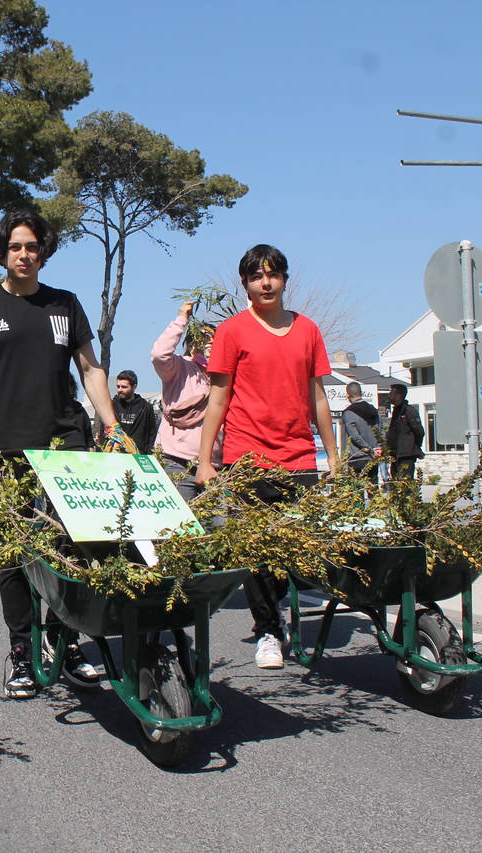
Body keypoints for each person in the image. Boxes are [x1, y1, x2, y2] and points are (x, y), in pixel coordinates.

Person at [0, 209, 136, 699]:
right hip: (6, 449)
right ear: (2, 253)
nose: (24, 255)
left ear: (43, 251)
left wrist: (111, 426)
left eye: (31, 247)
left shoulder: (65, 305)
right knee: (17, 553)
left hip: (66, 444)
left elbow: (92, 371)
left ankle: (66, 641)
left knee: (77, 547)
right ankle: (22, 652)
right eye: (15, 247)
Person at [194, 244, 336, 670]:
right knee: (254, 551)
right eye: (257, 277)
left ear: (285, 280)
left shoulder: (308, 330)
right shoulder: (232, 331)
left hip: (298, 457)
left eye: (273, 275)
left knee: (295, 550)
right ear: (246, 285)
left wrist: (335, 456)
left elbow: (318, 397)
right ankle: (268, 631)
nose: (265, 283)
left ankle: (279, 615)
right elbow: (218, 398)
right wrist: (206, 460)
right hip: (247, 457)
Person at [151, 300, 217, 502]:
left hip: (215, 465)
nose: (209, 343)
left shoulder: (223, 376)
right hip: (176, 461)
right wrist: (181, 319)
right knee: (181, 528)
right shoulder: (179, 368)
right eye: (204, 338)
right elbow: (159, 354)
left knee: (219, 526)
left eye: (214, 339)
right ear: (191, 342)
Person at [341, 381, 381, 484]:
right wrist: (376, 448)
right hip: (373, 457)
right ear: (361, 393)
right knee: (374, 491)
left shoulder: (348, 413)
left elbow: (354, 436)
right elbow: (379, 431)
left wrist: (367, 448)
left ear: (348, 395)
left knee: (357, 492)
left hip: (357, 457)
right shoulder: (374, 411)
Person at [112, 369, 158, 454]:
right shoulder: (112, 405)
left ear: (134, 387)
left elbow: (152, 435)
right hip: (116, 455)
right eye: (118, 386)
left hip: (138, 455)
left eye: (124, 387)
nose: (120, 390)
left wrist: (148, 455)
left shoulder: (146, 407)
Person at [386, 383, 425, 480]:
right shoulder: (396, 411)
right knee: (395, 485)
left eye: (391, 393)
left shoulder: (409, 411)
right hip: (395, 455)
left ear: (399, 395)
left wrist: (413, 446)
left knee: (405, 485)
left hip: (406, 456)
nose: (389, 396)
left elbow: (419, 432)